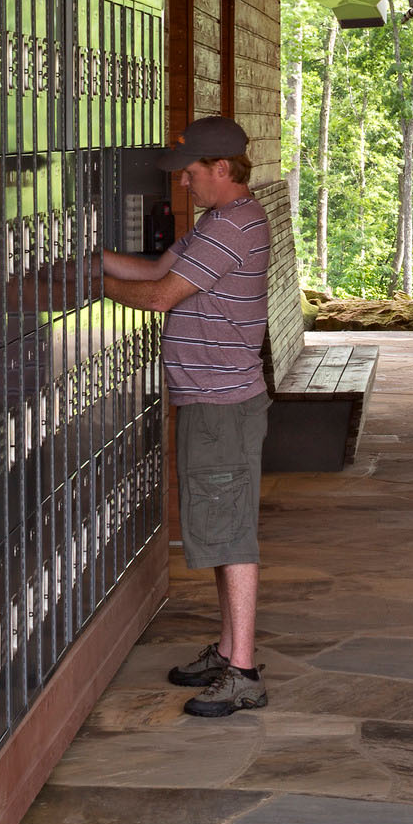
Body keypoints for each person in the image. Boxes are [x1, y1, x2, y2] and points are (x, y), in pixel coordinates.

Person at [92, 116, 275, 718]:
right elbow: (150, 271)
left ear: (223, 169)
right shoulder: (214, 224)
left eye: (192, 173)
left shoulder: (234, 226)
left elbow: (157, 297)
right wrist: (89, 257)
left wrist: (87, 283)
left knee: (232, 534)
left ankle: (244, 670)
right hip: (207, 400)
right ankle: (228, 650)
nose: (185, 183)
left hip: (223, 404)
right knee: (218, 529)